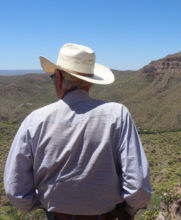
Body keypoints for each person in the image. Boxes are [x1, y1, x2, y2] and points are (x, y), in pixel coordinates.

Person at [4, 43, 152, 220]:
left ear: (59, 78)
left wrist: (43, 204)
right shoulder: (118, 114)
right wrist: (129, 212)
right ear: (91, 81)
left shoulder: (34, 120)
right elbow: (138, 186)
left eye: (53, 78)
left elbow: (15, 190)